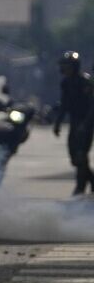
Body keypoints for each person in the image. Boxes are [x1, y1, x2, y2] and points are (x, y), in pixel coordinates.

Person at [54, 51, 94, 195]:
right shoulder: (65, 83)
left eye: (67, 65)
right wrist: (57, 122)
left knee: (81, 154)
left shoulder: (85, 82)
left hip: (86, 123)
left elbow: (92, 105)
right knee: (74, 157)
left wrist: (86, 124)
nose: (64, 68)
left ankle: (80, 186)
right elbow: (65, 104)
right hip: (74, 122)